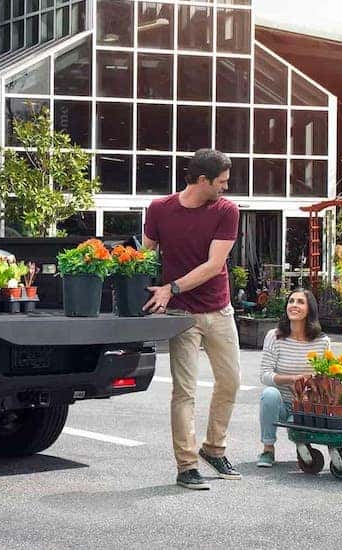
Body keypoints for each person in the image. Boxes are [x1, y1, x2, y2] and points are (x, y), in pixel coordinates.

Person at [142, 149, 242, 490]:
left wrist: (171, 286)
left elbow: (215, 265)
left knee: (230, 382)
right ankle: (186, 466)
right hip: (181, 315)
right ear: (202, 180)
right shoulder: (159, 209)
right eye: (222, 182)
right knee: (184, 392)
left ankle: (213, 448)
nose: (226, 188)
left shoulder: (226, 210)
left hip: (218, 309)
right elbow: (145, 253)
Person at [257, 289, 331, 468]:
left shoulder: (322, 342)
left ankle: (305, 445)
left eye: (300, 302)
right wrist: (293, 379)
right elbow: (265, 375)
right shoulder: (275, 336)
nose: (294, 305)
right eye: (291, 301)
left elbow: (327, 377)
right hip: (282, 404)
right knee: (269, 394)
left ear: (309, 309)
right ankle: (268, 449)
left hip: (306, 406)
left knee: (298, 426)